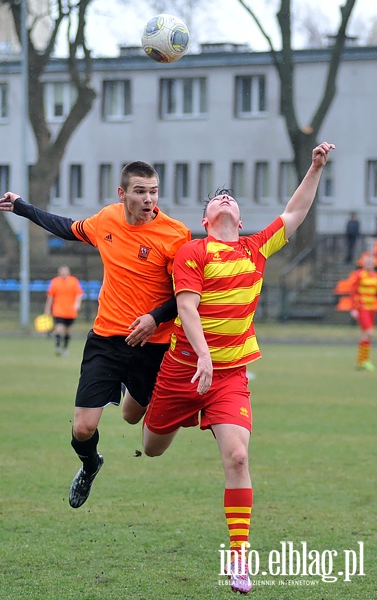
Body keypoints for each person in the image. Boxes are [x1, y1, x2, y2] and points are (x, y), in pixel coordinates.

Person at [142, 142, 335, 595]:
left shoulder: (255, 248)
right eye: (217, 197)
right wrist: (203, 356)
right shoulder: (192, 251)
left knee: (239, 457)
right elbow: (186, 308)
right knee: (150, 447)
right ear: (206, 220)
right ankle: (140, 397)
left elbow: (294, 213)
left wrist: (314, 168)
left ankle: (239, 559)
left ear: (241, 220)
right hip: (183, 370)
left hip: (228, 377)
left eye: (232, 197)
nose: (225, 196)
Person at [0, 161, 190, 508]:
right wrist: (23, 207)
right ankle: (90, 464)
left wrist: (154, 318)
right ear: (122, 193)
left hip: (153, 344)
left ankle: (120, 388)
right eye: (140, 191)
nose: (149, 199)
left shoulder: (176, 235)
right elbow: (66, 227)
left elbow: (186, 297)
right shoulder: (106, 220)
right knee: (82, 430)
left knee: (132, 416)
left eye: (154, 191)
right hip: (106, 339)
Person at [44, 265, 83, 356]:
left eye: (65, 271)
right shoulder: (55, 282)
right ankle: (57, 347)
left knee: (68, 331)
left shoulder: (73, 281)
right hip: (58, 310)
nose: (64, 273)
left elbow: (79, 294)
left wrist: (77, 304)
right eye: (62, 271)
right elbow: (50, 297)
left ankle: (65, 348)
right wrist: (47, 309)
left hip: (70, 312)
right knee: (59, 329)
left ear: (68, 272)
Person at [349, 252, 377, 371]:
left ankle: (362, 361)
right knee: (369, 332)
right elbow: (353, 292)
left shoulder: (375, 276)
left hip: (371, 308)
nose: (369, 265)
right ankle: (364, 360)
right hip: (362, 308)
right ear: (363, 264)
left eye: (371, 263)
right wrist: (354, 308)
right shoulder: (358, 275)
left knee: (365, 335)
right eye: (367, 263)